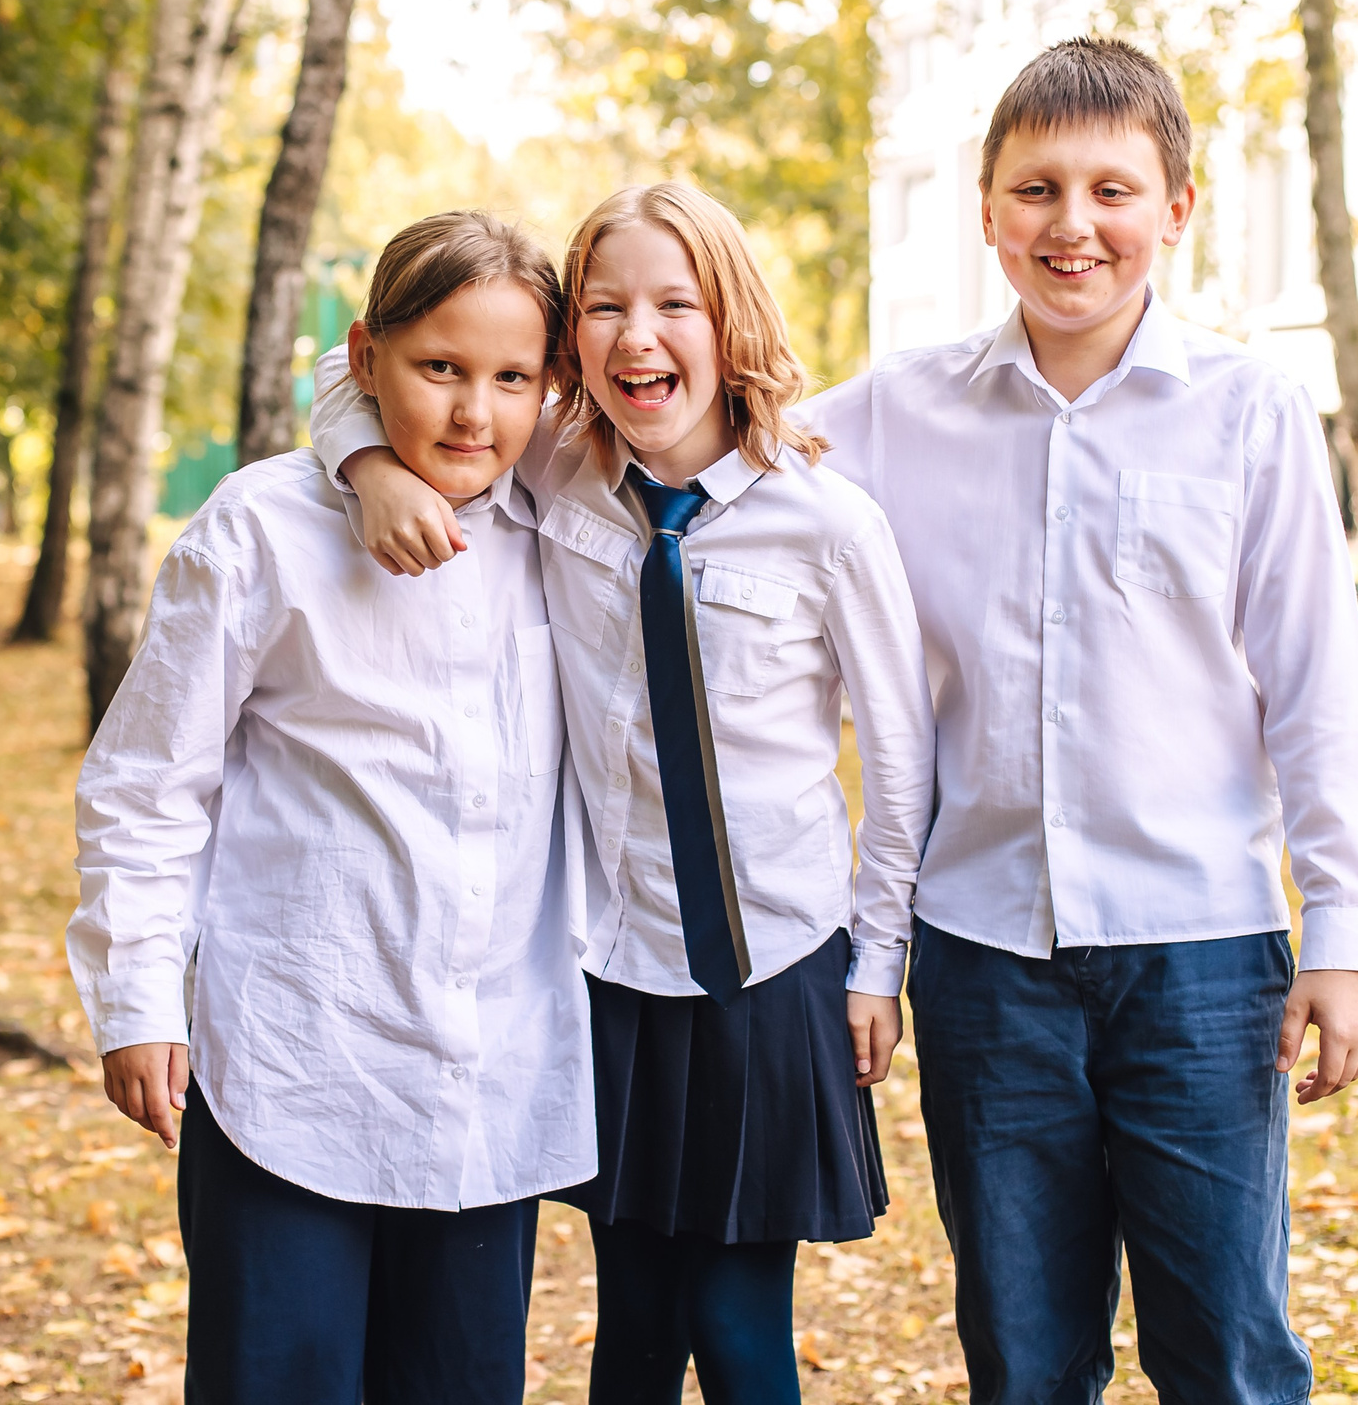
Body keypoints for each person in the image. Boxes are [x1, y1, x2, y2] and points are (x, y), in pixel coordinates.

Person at [798, 37, 1358, 1404]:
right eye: (1038, 189)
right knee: (1022, 1354)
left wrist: (1345, 934)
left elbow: (1314, 686)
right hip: (986, 960)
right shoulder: (897, 409)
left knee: (1227, 1351)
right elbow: (691, 433)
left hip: (1199, 957)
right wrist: (365, 431)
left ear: (1177, 209)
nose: (1075, 225)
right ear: (991, 212)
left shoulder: (1248, 414)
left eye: (1113, 190)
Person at [315, 182, 933, 1404]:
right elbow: (366, 376)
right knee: (633, 1316)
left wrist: (878, 962)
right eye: (602, 307)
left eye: (673, 303)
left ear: (730, 319)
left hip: (774, 963)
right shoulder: (552, 467)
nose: (636, 335)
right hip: (611, 967)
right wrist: (371, 465)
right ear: (567, 347)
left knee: (737, 1312)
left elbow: (905, 762)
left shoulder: (827, 521)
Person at [67, 212, 592, 1405]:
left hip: (486, 1080)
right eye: (439, 370)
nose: (475, 414)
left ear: (550, 385)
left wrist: (367, 449)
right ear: (366, 358)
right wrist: (136, 996)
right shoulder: (260, 530)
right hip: (293, 1061)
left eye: (513, 379)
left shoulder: (568, 514)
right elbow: (149, 785)